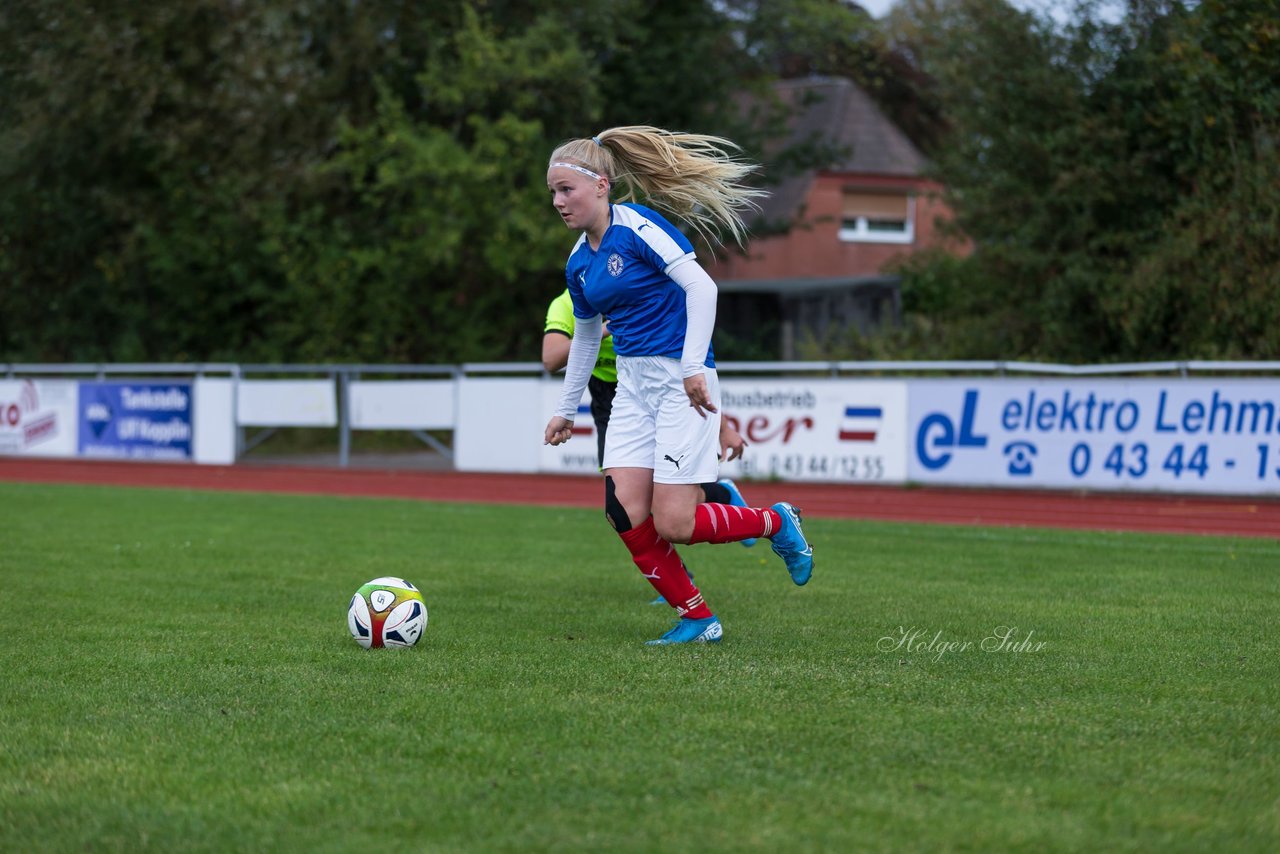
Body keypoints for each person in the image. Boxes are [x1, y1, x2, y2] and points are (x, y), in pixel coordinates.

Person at [542, 125, 814, 645]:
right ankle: (698, 619)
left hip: (678, 382)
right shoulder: (580, 261)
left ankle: (776, 523)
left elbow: (701, 285)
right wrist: (565, 409)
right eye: (553, 192)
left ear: (601, 185)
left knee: (675, 523)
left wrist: (693, 366)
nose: (557, 201)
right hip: (632, 387)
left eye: (565, 189)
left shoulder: (638, 227)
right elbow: (584, 338)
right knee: (624, 510)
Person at [542, 288, 757, 545]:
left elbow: (685, 369)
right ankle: (714, 507)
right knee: (625, 504)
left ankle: (721, 495)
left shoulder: (635, 291)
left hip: (658, 387)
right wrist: (601, 331)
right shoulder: (566, 303)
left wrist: (723, 428)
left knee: (663, 499)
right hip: (610, 399)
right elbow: (551, 359)